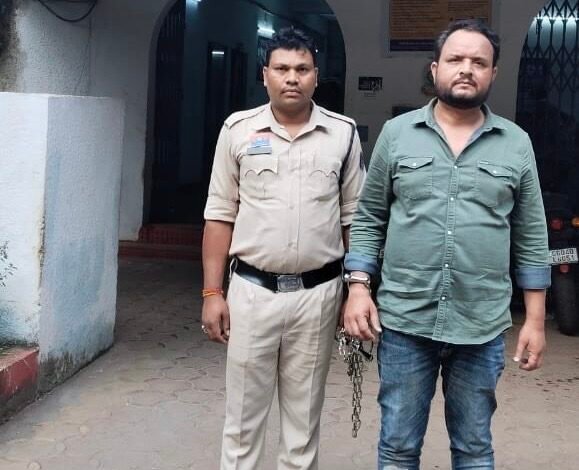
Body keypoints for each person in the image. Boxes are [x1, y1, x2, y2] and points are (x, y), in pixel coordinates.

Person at [343, 19, 550, 470]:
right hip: (405, 322)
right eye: (455, 59)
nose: (466, 69)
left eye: (479, 62)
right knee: (398, 448)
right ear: (435, 68)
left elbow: (531, 235)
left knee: (474, 449)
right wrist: (358, 288)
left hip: (481, 325)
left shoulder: (516, 144)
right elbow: (370, 218)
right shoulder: (397, 134)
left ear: (493, 74)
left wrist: (535, 320)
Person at [201, 27, 365, 470]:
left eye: (302, 69)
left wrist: (357, 290)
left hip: (318, 296)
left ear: (316, 75)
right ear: (265, 75)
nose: (292, 78)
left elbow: (354, 218)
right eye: (282, 68)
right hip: (252, 293)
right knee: (242, 424)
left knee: (302, 426)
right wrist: (212, 293)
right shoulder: (238, 130)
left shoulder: (342, 134)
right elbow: (219, 215)